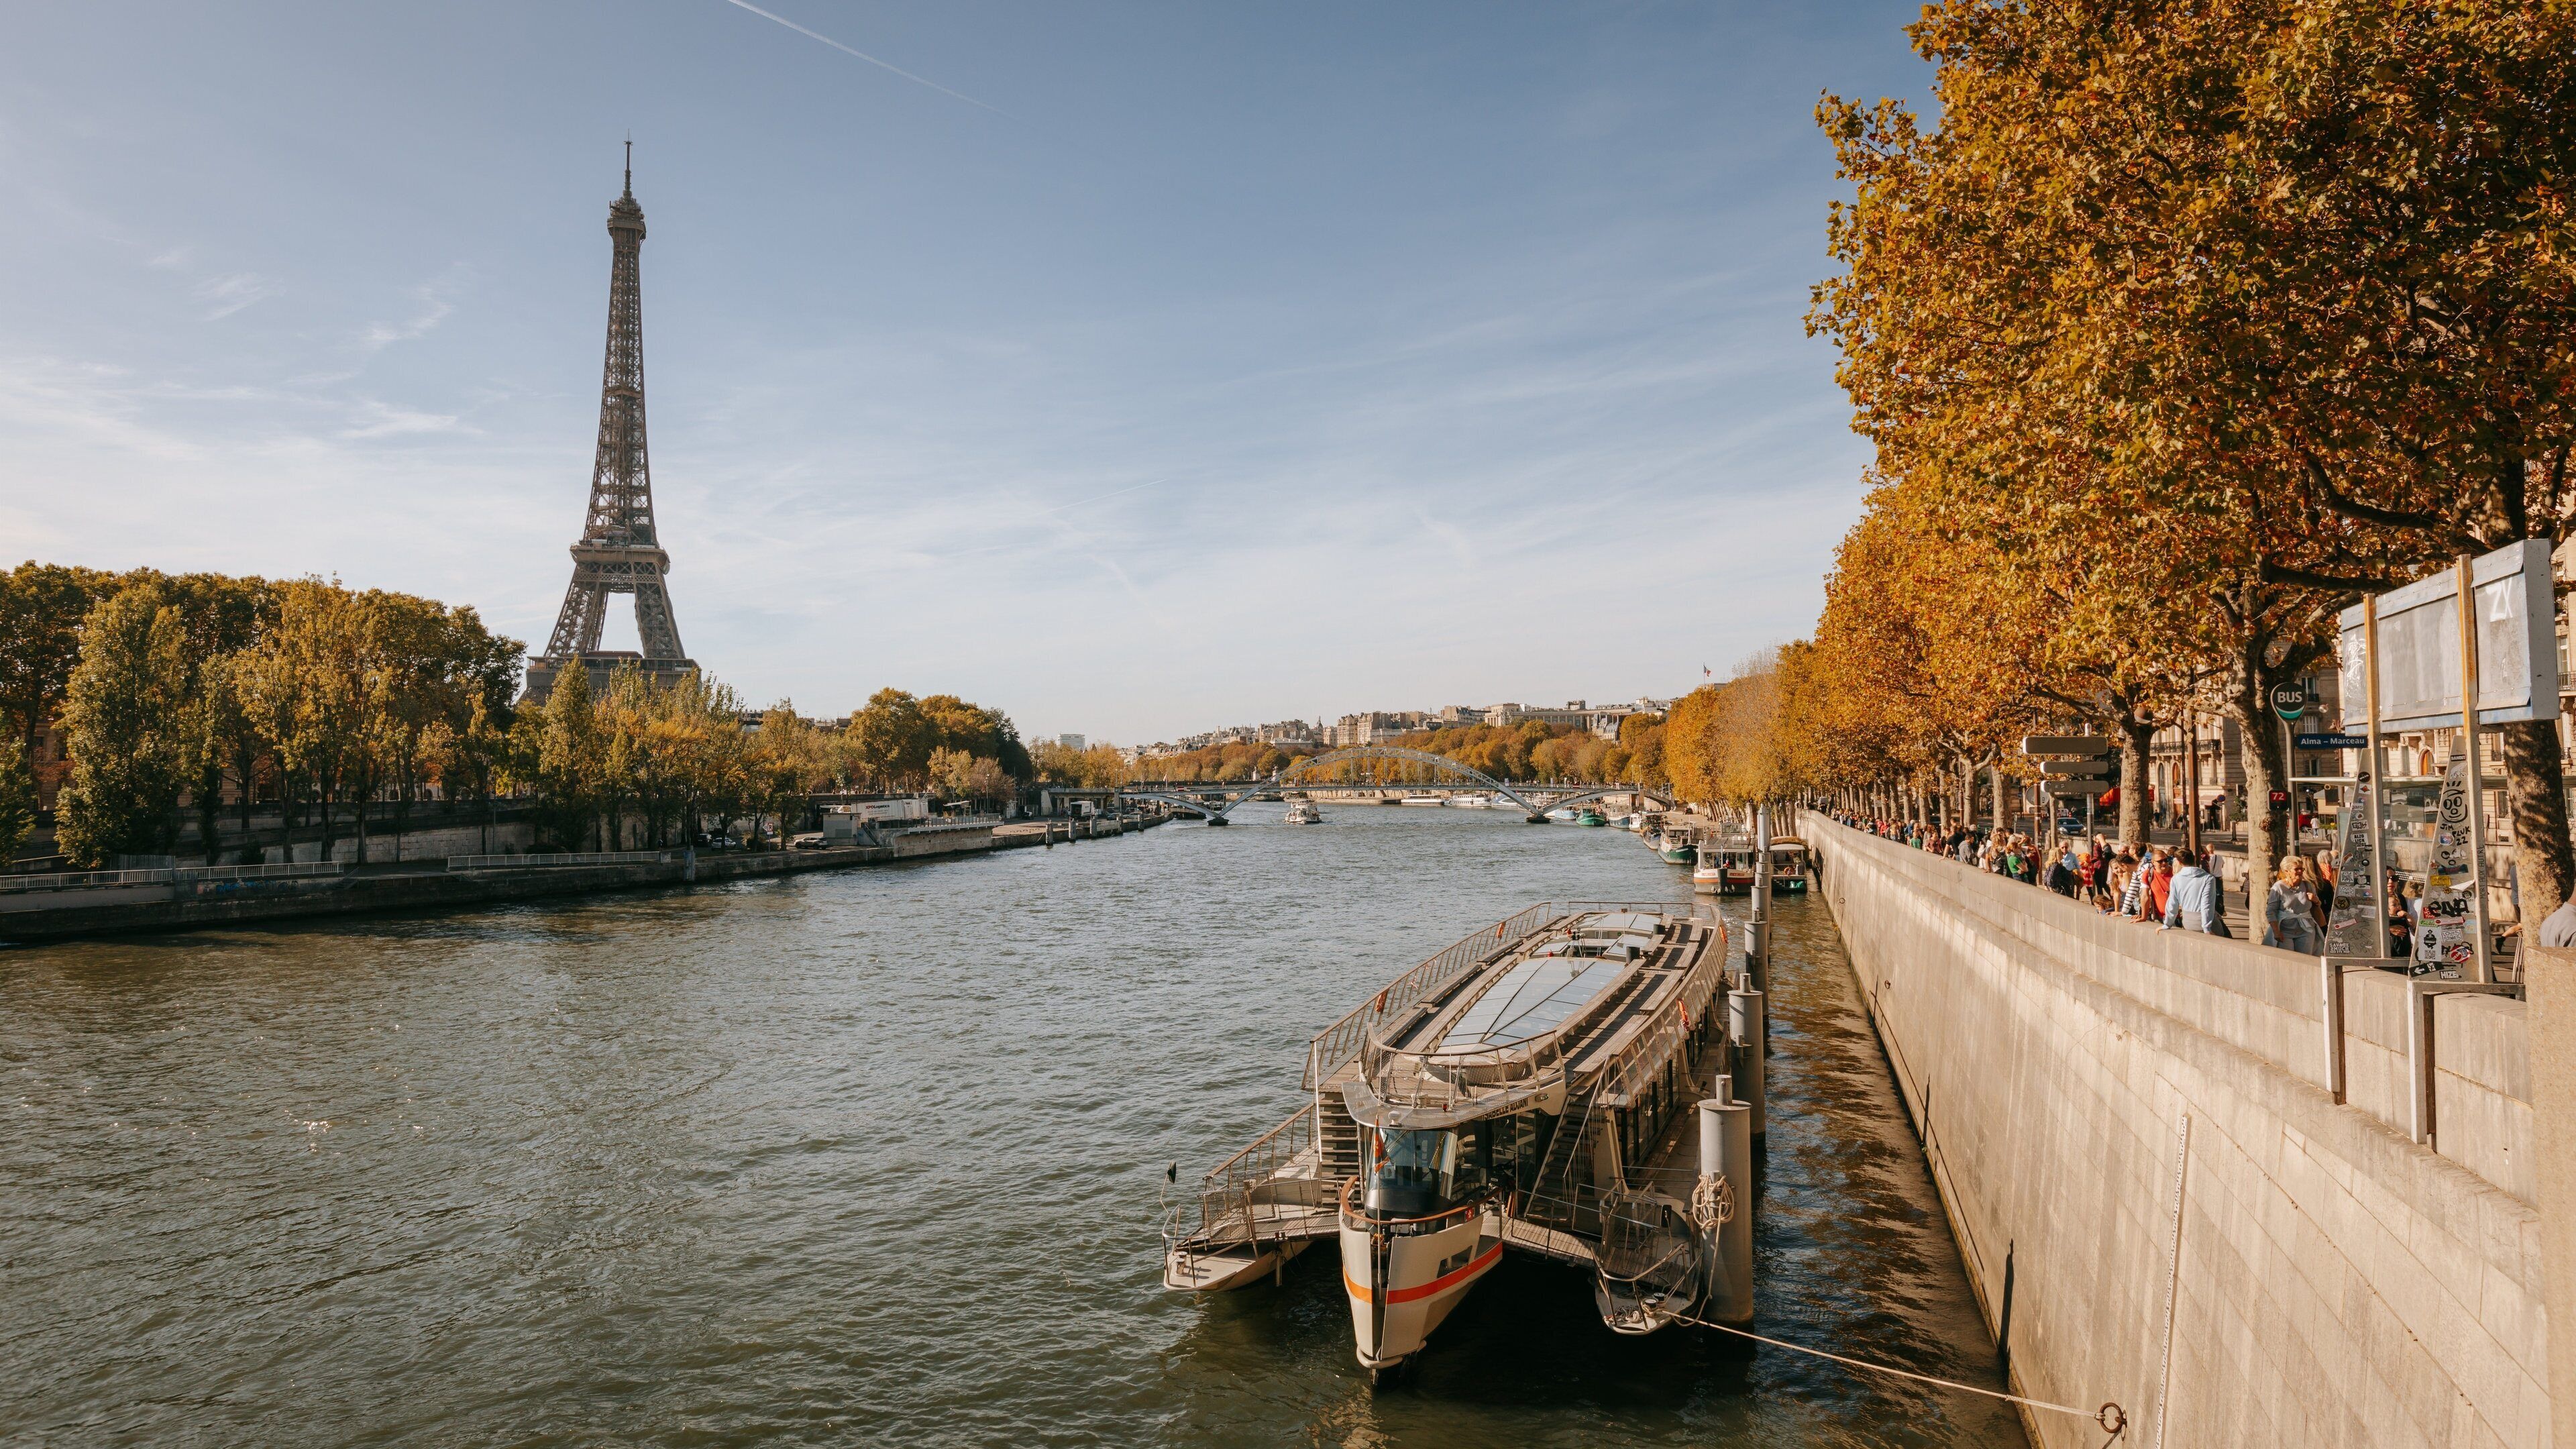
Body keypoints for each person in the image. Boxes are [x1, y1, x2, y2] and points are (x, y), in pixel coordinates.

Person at [2166, 851, 2231, 936]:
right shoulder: (2208, 878)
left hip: (2188, 922)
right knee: (2227, 937)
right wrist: (2206, 928)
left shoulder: (2176, 879)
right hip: (2206, 923)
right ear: (2195, 859)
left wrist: (2167, 924)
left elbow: (2172, 903)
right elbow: (2207, 904)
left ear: (2180, 862)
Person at [2263, 858, 2320, 954]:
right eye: (2296, 869)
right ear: (2287, 871)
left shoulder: (2308, 886)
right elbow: (2271, 911)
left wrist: (2316, 900)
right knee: (2288, 959)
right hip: (2285, 931)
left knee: (2305, 960)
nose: (2300, 872)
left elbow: (2318, 904)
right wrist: (2276, 932)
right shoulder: (2278, 887)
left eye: (2302, 869)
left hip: (2306, 930)